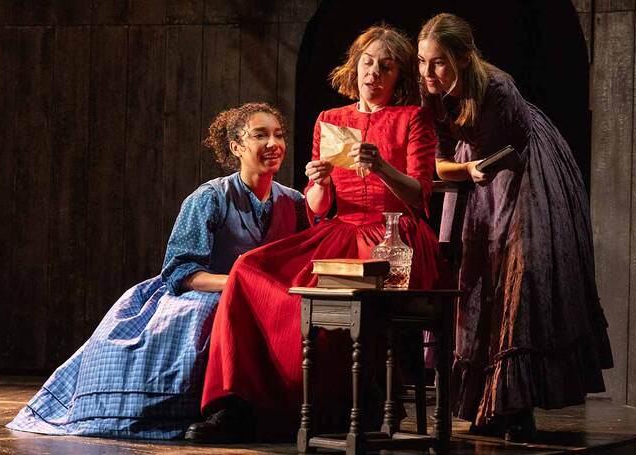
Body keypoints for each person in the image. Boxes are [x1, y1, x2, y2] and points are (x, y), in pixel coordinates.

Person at [185, 24, 446, 443]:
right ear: (354, 65)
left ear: (399, 77)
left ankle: (338, 404)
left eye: (386, 65)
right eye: (367, 61)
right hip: (340, 229)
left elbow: (420, 196)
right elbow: (317, 208)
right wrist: (319, 182)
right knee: (250, 268)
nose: (373, 71)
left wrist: (381, 167)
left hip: (396, 235)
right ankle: (234, 403)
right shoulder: (331, 119)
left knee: (342, 296)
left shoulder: (413, 118)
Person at [6, 103, 308, 440]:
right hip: (205, 291)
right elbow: (180, 270)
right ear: (237, 147)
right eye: (260, 135)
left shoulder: (293, 202)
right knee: (221, 310)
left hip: (264, 295)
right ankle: (222, 409)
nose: (273, 143)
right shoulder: (210, 197)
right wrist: (239, 284)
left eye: (278, 135)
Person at [417, 13, 614, 441]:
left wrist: (463, 168)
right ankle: (483, 403)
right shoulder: (430, 92)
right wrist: (460, 169)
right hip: (474, 173)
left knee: (516, 278)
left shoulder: (497, 88)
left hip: (521, 168)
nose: (427, 72)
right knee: (471, 277)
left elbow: (498, 152)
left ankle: (514, 404)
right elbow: (440, 157)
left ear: (464, 59)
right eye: (422, 61)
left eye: (437, 63)